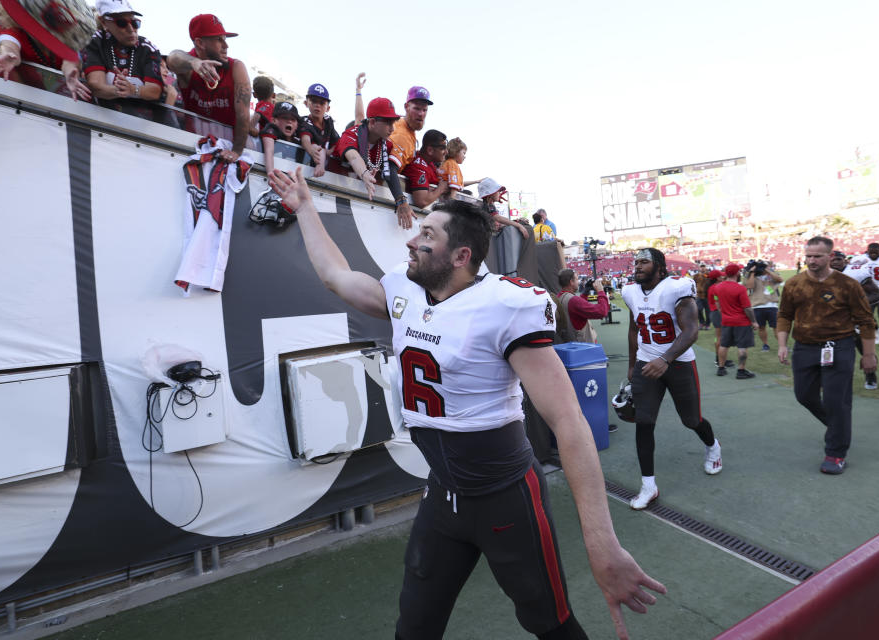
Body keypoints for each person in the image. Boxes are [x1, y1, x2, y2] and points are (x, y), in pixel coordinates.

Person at [268, 166, 665, 640]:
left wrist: (602, 545)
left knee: (550, 624)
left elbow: (569, 422)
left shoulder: (502, 305)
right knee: (413, 628)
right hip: (442, 492)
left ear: (460, 255)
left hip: (505, 496)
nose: (413, 242)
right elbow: (338, 277)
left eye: (427, 234)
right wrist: (306, 209)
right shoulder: (406, 289)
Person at [622, 248, 723, 510]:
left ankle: (713, 446)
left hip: (677, 363)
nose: (637, 266)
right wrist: (633, 364)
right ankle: (648, 485)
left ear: (660, 267)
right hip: (646, 363)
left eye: (644, 262)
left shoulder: (676, 289)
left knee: (691, 420)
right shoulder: (630, 292)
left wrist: (665, 359)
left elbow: (691, 330)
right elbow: (634, 328)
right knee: (643, 422)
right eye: (636, 262)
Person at [777, 237, 876, 474]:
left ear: (830, 256)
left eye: (817, 256)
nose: (812, 260)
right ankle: (837, 427)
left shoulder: (847, 285)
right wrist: (782, 344)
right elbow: (784, 315)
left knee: (836, 400)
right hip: (805, 347)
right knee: (804, 395)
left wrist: (869, 355)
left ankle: (835, 452)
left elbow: (866, 321)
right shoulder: (794, 284)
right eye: (808, 256)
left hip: (839, 346)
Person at [167, 14, 250, 162]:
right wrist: (195, 63)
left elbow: (243, 116)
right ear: (199, 43)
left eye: (225, 39)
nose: (226, 46)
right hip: (193, 147)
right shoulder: (189, 66)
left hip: (228, 149)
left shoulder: (235, 67)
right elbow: (172, 58)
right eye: (219, 40)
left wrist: (236, 152)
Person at [330, 97, 415, 230]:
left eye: (394, 123)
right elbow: (353, 156)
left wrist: (401, 200)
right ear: (373, 122)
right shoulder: (352, 134)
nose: (393, 129)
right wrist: (365, 174)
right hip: (332, 193)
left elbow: (390, 171)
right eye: (388, 123)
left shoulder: (386, 144)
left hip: (358, 202)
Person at [83, 1, 163, 119]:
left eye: (135, 23)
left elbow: (155, 91)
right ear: (104, 22)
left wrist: (133, 90)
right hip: (99, 118)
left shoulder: (147, 48)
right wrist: (118, 90)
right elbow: (96, 85)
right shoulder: (96, 41)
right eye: (121, 23)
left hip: (142, 124)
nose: (131, 29)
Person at [831, 250, 879, 390]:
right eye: (832, 259)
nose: (835, 262)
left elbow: (875, 294)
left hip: (856, 318)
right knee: (830, 349)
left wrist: (856, 305)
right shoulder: (822, 274)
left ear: (845, 260)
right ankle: (832, 379)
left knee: (864, 349)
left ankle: (870, 376)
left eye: (838, 259)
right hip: (832, 319)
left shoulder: (856, 272)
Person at [710, 263, 758, 379]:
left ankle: (721, 368)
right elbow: (747, 308)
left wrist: (724, 314)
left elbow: (717, 303)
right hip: (741, 322)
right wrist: (754, 321)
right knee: (742, 346)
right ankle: (741, 371)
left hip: (726, 321)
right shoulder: (740, 288)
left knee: (724, 345)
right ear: (737, 273)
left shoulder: (718, 287)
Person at [400, 129, 449, 208]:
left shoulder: (428, 161)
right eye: (442, 148)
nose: (446, 152)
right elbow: (421, 201)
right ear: (430, 150)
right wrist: (440, 189)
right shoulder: (418, 167)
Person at [298, 83, 339, 179]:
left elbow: (337, 142)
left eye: (322, 103)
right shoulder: (304, 121)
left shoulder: (328, 121)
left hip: (319, 170)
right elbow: (306, 140)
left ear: (328, 108)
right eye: (313, 101)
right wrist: (311, 150)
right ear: (306, 103)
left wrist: (328, 152)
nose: (317, 106)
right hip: (301, 164)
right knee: (316, 147)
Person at [556, 269, 608, 344]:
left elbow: (576, 311)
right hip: (584, 347)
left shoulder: (560, 297)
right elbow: (602, 312)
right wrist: (600, 291)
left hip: (572, 343)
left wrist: (585, 292)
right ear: (571, 282)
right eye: (577, 279)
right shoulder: (573, 300)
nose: (579, 282)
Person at [388, 85, 431, 172]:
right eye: (416, 108)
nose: (421, 114)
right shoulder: (401, 134)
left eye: (424, 110)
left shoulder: (409, 129)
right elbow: (390, 170)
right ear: (406, 107)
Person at [743, 260, 783, 351]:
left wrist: (767, 270)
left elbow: (780, 279)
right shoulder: (750, 276)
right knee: (761, 327)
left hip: (772, 305)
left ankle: (782, 345)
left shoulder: (771, 275)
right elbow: (749, 286)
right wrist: (752, 272)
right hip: (757, 306)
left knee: (776, 326)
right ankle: (765, 344)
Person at [860, 242, 879, 350]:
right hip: (869, 290)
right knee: (868, 315)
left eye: (875, 252)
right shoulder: (861, 259)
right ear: (867, 251)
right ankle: (877, 331)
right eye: (871, 252)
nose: (873, 254)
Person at [261, 101, 300, 179]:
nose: (289, 121)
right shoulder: (271, 130)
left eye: (293, 119)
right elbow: (269, 151)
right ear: (274, 120)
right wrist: (271, 176)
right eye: (285, 118)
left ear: (297, 125)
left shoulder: (298, 139)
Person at [706, 269, 734, 369]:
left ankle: (720, 358)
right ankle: (719, 359)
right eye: (721, 276)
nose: (723, 277)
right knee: (720, 337)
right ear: (717, 278)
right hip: (718, 313)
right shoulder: (716, 287)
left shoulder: (712, 287)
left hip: (714, 313)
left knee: (718, 336)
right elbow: (719, 302)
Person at [692, 265, 711, 329]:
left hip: (707, 295)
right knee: (698, 309)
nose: (702, 268)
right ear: (699, 268)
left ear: (705, 268)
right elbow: (693, 284)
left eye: (704, 267)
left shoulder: (709, 275)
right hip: (699, 295)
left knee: (708, 311)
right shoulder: (696, 276)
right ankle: (701, 322)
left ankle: (707, 324)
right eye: (701, 267)